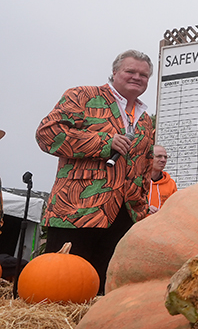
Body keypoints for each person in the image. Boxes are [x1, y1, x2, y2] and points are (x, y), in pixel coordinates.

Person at [36, 50, 155, 294]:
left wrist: (142, 211)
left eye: (143, 74)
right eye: (130, 71)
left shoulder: (145, 119)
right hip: (78, 209)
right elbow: (47, 135)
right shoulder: (82, 96)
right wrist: (103, 143)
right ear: (114, 73)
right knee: (61, 286)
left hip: (125, 215)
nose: (137, 77)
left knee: (106, 290)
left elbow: (146, 165)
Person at [148, 145, 177, 215]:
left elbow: (174, 207)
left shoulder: (171, 184)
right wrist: (145, 208)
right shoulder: (137, 180)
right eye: (159, 156)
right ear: (149, 158)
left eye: (165, 157)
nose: (163, 160)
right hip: (139, 224)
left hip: (161, 224)